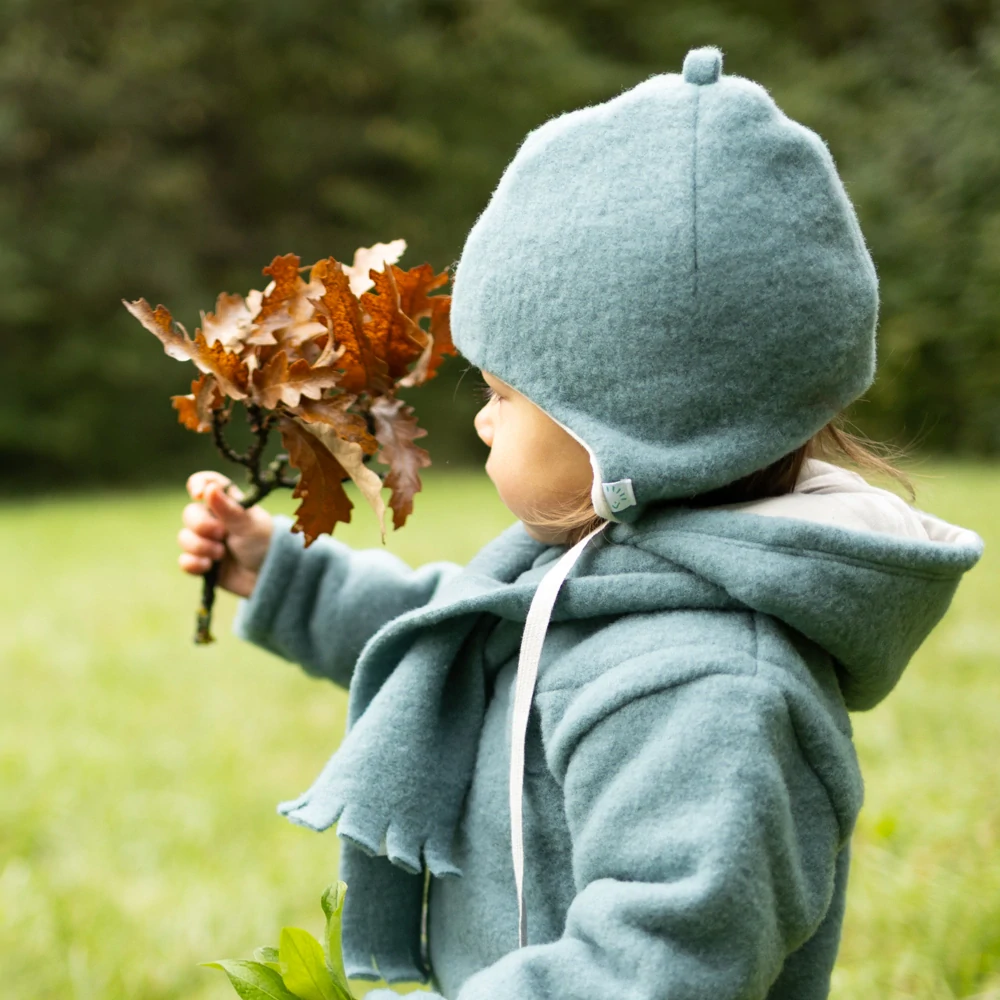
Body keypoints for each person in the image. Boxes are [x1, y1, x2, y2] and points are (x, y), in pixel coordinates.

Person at [177, 46, 984, 1000]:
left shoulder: (713, 694)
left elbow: (662, 966)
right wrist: (283, 573)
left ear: (641, 432)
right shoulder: (615, 566)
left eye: (507, 393)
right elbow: (467, 633)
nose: (480, 417)